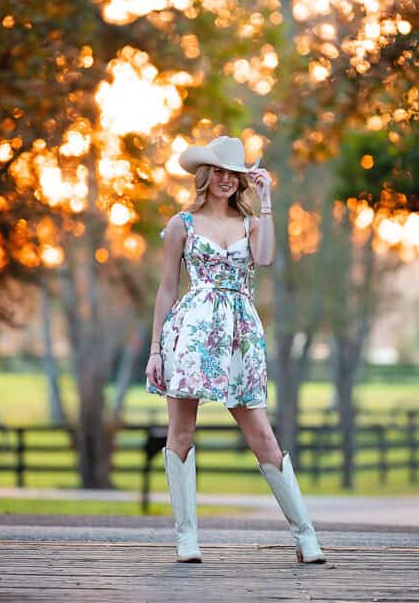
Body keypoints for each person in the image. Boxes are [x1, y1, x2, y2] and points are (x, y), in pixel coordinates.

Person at [145, 134, 326, 564]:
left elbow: (263, 260)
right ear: (206, 176)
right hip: (190, 331)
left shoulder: (252, 224)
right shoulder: (180, 225)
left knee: (261, 432)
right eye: (220, 172)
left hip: (240, 332)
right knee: (181, 431)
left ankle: (305, 536)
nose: (227, 180)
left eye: (235, 174)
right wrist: (155, 349)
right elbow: (167, 288)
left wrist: (266, 200)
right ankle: (186, 537)